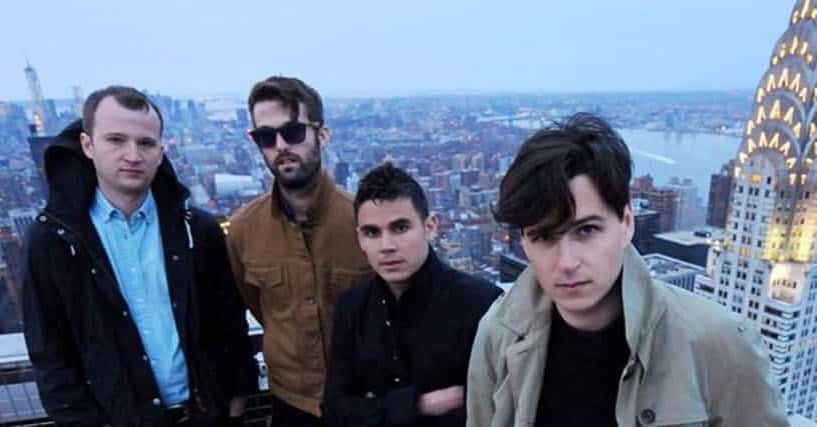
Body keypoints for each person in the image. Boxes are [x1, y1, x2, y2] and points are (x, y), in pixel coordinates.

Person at [466, 113, 788, 426]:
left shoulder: (720, 344)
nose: (566, 262)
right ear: (524, 242)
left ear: (627, 223)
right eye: (543, 237)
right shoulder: (499, 333)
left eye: (586, 230)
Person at [22, 86, 257, 426]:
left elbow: (229, 321)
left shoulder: (198, 230)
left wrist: (234, 404)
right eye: (116, 140)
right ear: (88, 145)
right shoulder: (52, 240)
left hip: (204, 415)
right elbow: (49, 350)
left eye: (145, 143)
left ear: (160, 152)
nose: (132, 155)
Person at [227, 76, 371, 426]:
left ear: (322, 135)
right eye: (266, 137)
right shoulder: (243, 230)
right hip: (291, 406)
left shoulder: (365, 222)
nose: (280, 146)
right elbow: (255, 305)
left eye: (292, 132)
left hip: (364, 403)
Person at [322, 162, 502, 427]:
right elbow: (335, 411)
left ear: (430, 227)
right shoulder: (352, 307)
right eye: (372, 232)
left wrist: (373, 408)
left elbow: (496, 404)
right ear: (360, 239)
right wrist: (420, 404)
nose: (387, 246)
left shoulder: (481, 304)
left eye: (400, 228)